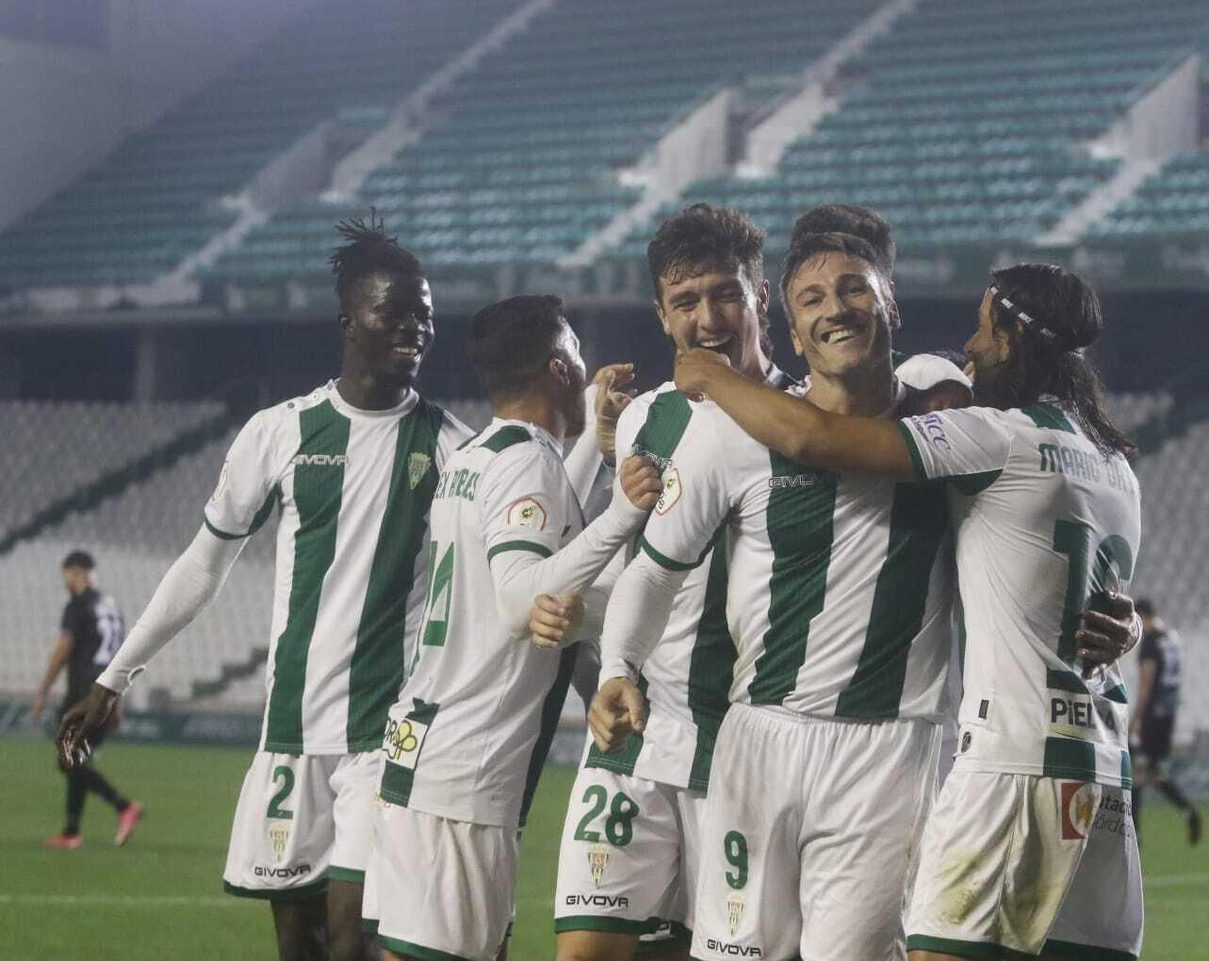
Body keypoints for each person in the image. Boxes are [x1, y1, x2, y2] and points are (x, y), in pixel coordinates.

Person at [669, 260, 1146, 961]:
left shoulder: (997, 436)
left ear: (1013, 339)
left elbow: (814, 440)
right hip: (1101, 769)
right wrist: (1129, 625)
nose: (972, 349)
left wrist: (712, 377)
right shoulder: (1115, 463)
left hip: (1009, 764)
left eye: (983, 331)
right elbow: (1097, 595)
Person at [58, 216, 474, 961]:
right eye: (396, 313)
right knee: (301, 946)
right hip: (291, 732)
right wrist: (113, 678)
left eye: (427, 316)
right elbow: (201, 566)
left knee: (355, 940)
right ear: (350, 321)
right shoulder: (279, 434)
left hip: (389, 737)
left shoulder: (453, 447)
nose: (416, 329)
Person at [591, 231, 978, 960]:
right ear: (794, 334)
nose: (838, 308)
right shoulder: (729, 437)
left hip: (889, 751)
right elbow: (653, 569)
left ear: (892, 301)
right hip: (760, 742)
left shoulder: (951, 431)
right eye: (814, 299)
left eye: (856, 288)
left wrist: (1107, 612)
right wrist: (618, 668)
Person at [366, 295, 660, 961]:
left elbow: (548, 529)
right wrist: (625, 512)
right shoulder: (527, 461)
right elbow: (520, 599)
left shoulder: (480, 454)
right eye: (577, 359)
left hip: (424, 743)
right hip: (464, 772)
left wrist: (595, 440)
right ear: (558, 369)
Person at [554, 203, 795, 961]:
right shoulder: (643, 421)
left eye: (726, 293)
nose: (708, 318)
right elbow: (635, 563)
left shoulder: (811, 419)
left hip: (747, 749)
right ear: (662, 316)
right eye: (686, 302)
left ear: (761, 297)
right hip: (640, 732)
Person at [31, 550, 142, 849]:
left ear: (76, 572)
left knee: (68, 759)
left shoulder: (78, 606)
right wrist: (116, 699)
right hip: (106, 691)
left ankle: (124, 807)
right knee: (76, 758)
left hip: (82, 692)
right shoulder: (111, 607)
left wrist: (42, 690)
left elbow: (63, 649)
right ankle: (71, 832)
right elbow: (120, 654)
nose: (64, 581)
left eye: (65, 574)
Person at [1129, 598, 1201, 845]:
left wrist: (1135, 719)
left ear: (1141, 616)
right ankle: (1188, 809)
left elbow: (1146, 686)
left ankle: (1134, 833)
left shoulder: (1149, 642)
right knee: (1153, 771)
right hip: (1168, 713)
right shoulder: (1172, 638)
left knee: (1136, 770)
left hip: (1152, 713)